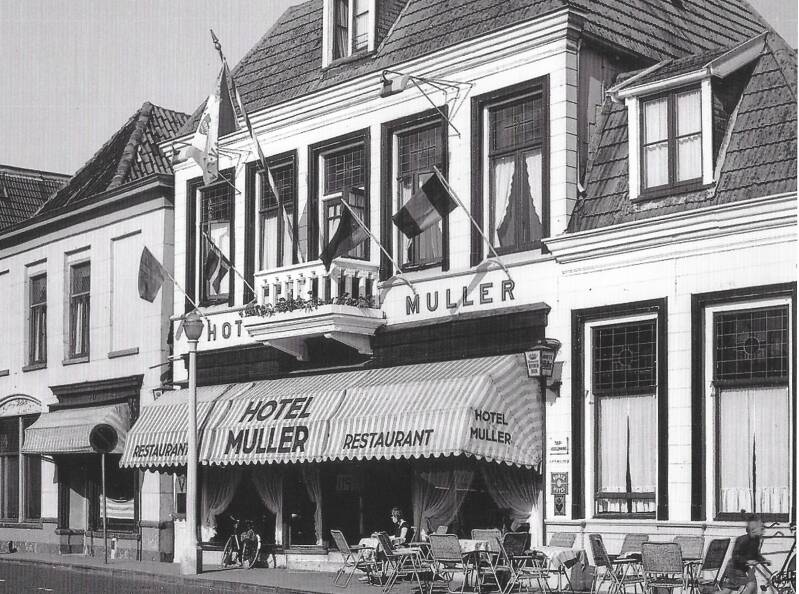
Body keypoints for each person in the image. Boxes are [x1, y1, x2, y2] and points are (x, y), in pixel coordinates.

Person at [719, 513, 770, 594]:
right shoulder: (743, 540)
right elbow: (735, 556)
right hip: (734, 568)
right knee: (751, 585)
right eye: (761, 528)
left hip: (742, 568)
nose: (763, 531)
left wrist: (763, 560)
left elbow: (755, 554)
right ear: (753, 530)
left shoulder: (756, 540)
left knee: (727, 590)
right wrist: (747, 561)